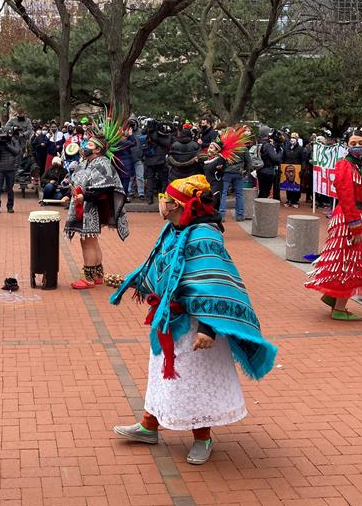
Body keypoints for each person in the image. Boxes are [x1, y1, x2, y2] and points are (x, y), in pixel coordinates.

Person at [110, 175, 277, 465]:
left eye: (164, 196)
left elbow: (215, 286)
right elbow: (158, 266)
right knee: (161, 376)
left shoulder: (204, 236)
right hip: (169, 320)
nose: (161, 200)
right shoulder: (172, 230)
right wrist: (136, 281)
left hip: (196, 327)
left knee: (193, 382)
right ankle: (149, 426)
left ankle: (203, 438)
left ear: (175, 204)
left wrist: (209, 330)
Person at [304, 130, 362, 321]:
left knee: (348, 260)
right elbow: (346, 197)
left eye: (360, 142)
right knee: (348, 262)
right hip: (349, 218)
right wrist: (355, 226)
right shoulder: (344, 165)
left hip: (361, 214)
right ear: (347, 145)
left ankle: (332, 297)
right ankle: (339, 307)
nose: (357, 146)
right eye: (353, 143)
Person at [64, 124, 130, 289]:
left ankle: (89, 278)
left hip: (92, 207)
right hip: (85, 205)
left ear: (98, 150)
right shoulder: (87, 162)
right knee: (90, 241)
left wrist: (84, 196)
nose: (85, 146)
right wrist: (70, 194)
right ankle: (98, 275)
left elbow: (105, 187)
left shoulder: (102, 163)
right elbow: (78, 182)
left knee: (87, 241)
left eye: (90, 145)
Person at [0, 127, 21, 213]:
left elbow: (17, 151)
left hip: (10, 169)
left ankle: (10, 207)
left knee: (10, 189)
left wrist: (7, 145)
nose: (4, 138)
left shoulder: (13, 141)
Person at [142, 119, 170, 204]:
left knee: (150, 179)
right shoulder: (159, 133)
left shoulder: (145, 132)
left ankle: (149, 198)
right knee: (163, 179)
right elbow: (167, 143)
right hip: (159, 160)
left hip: (149, 160)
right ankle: (163, 196)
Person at [255, 134, 282, 199]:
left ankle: (258, 207)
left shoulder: (259, 144)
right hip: (268, 172)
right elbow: (275, 158)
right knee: (265, 193)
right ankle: (262, 208)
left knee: (261, 191)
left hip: (260, 169)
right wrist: (280, 152)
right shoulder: (268, 146)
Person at [282, 134, 304, 207]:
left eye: (294, 138)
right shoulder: (286, 148)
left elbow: (303, 160)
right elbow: (283, 158)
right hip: (287, 168)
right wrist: (281, 167)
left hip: (297, 169)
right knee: (288, 184)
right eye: (291, 137)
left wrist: (302, 169)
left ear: (297, 139)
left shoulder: (300, 149)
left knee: (296, 185)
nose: (292, 139)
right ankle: (289, 199)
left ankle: (295, 201)